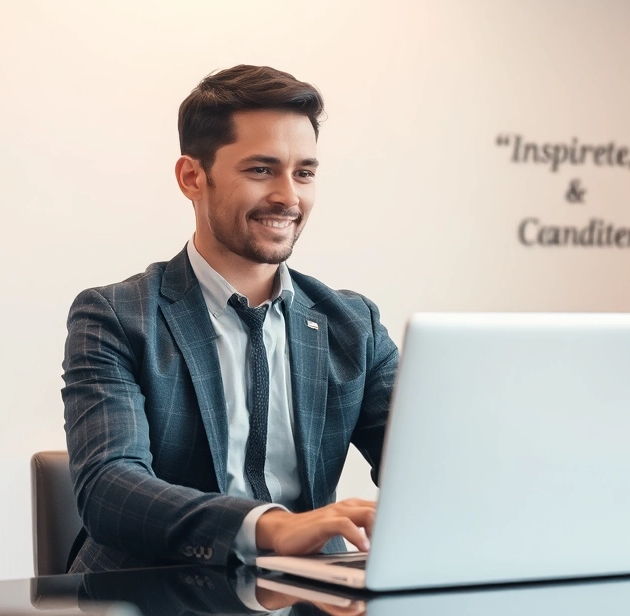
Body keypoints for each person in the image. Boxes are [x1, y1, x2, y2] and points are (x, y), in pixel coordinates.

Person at [62, 64, 399, 572]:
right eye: (261, 170)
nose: (289, 196)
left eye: (304, 172)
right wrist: (272, 526)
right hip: (156, 595)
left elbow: (426, 465)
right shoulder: (116, 316)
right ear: (192, 177)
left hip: (313, 597)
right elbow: (110, 488)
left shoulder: (354, 324)